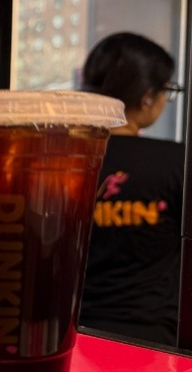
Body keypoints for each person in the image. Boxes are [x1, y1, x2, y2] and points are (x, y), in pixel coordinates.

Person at [79, 32, 185, 345]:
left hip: (73, 335)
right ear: (147, 97)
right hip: (155, 342)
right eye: (167, 90)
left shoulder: (63, 159)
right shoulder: (177, 163)